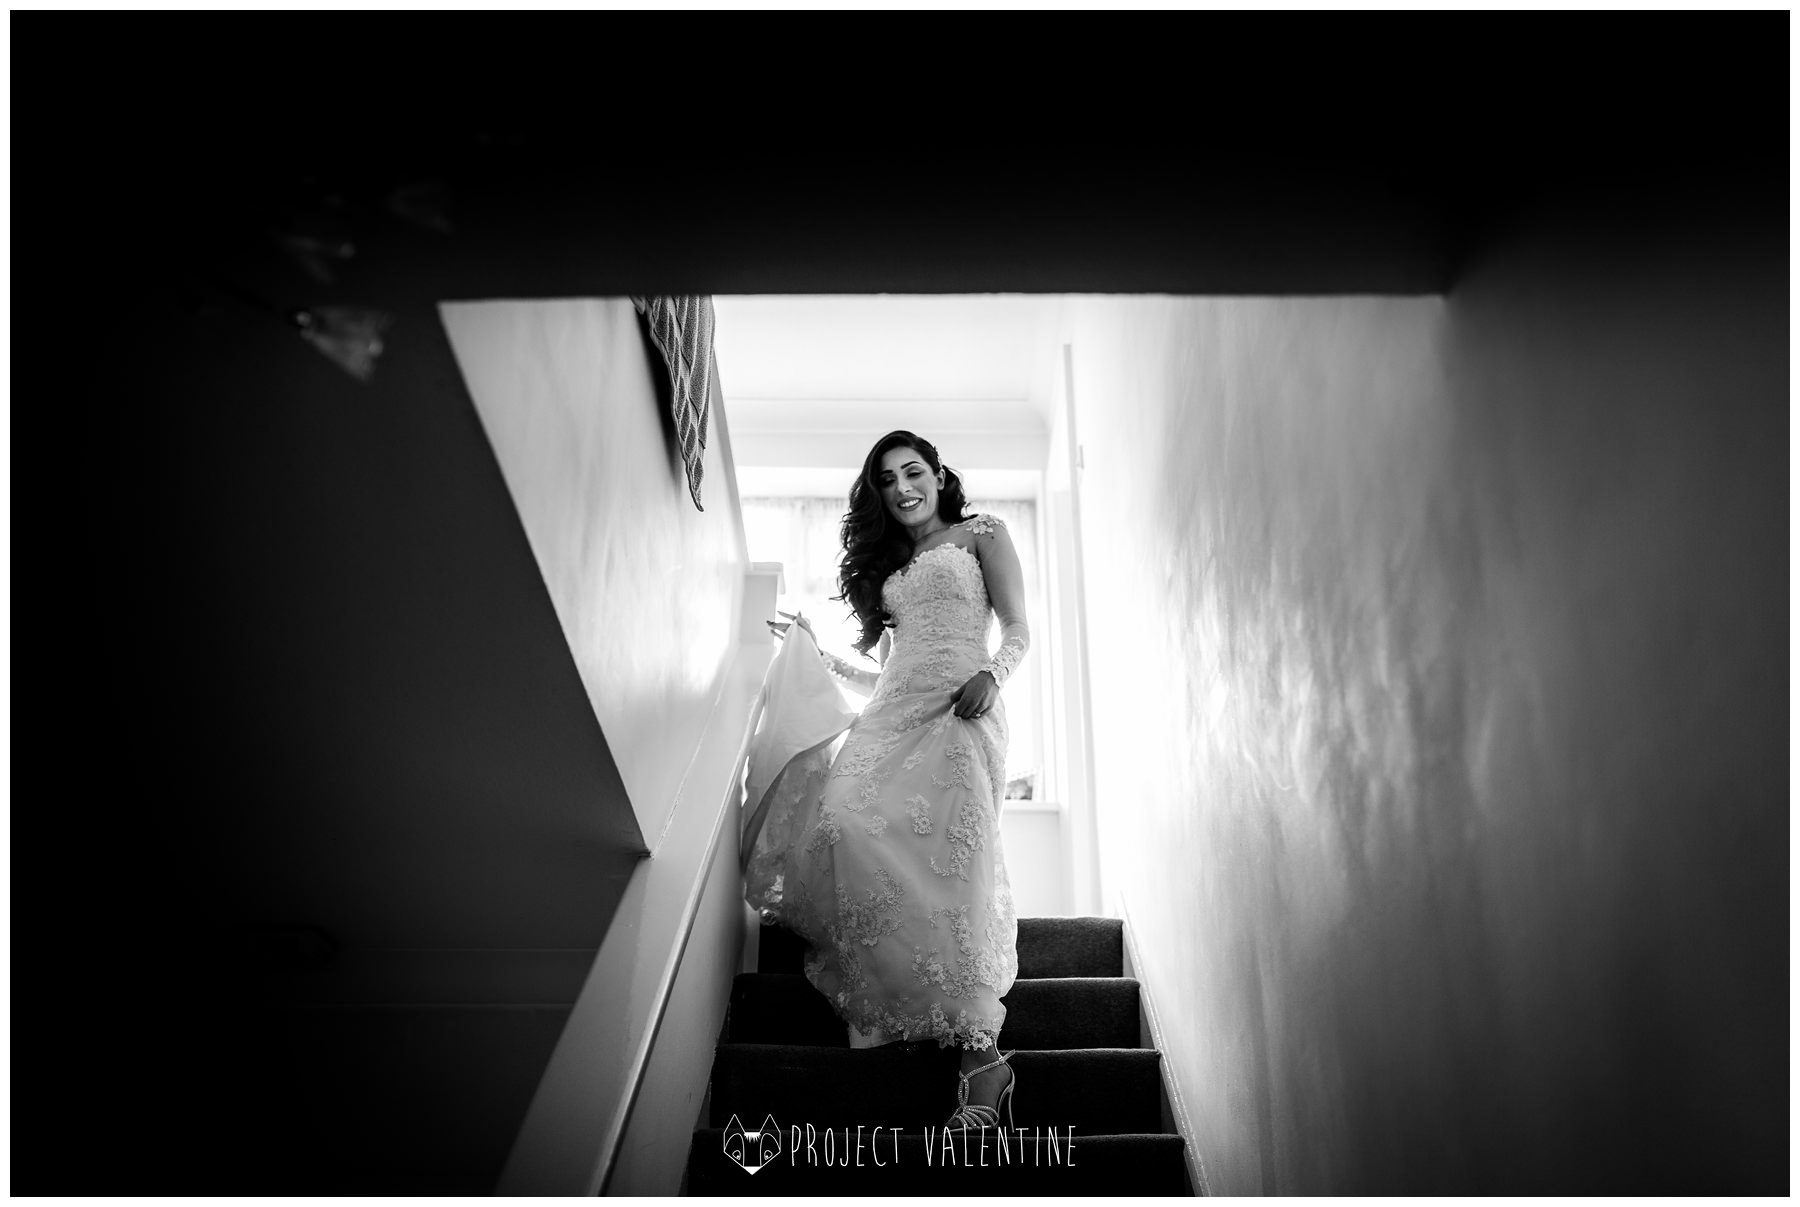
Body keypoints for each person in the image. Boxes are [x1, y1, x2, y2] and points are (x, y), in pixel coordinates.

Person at [758, 430, 1030, 1131]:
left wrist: (990, 677)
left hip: (963, 707)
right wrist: (819, 653)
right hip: (891, 714)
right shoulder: (895, 565)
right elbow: (890, 670)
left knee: (953, 862)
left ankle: (981, 1059)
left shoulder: (983, 534)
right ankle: (902, 995)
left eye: (914, 471)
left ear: (939, 474)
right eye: (886, 478)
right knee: (843, 817)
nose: (903, 486)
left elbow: (1020, 628)